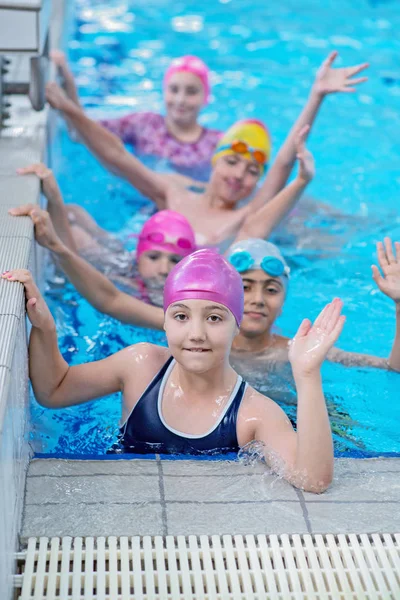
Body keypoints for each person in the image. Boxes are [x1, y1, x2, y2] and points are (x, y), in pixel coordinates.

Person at [4, 250, 346, 493]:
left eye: (214, 318)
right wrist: (44, 327)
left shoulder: (254, 413)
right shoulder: (140, 366)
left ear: (236, 326)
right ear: (165, 322)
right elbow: (54, 390)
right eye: (181, 316)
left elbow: (312, 479)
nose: (196, 333)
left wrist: (306, 374)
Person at [46, 51, 368, 249]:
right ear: (212, 161)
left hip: (184, 308)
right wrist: (67, 107)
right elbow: (117, 156)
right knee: (70, 217)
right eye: (231, 162)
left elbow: (283, 164)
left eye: (252, 171)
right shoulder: (173, 192)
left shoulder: (247, 216)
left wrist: (316, 97)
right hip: (137, 273)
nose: (239, 175)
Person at [226, 237, 400, 376]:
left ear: (283, 303)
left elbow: (392, 368)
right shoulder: (207, 348)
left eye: (271, 290)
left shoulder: (297, 351)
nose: (258, 299)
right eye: (245, 287)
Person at [51, 51, 222, 174]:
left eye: (191, 92)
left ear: (206, 97)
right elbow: (81, 132)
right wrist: (68, 81)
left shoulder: (218, 144)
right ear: (164, 92)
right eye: (174, 90)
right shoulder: (144, 124)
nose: (180, 99)